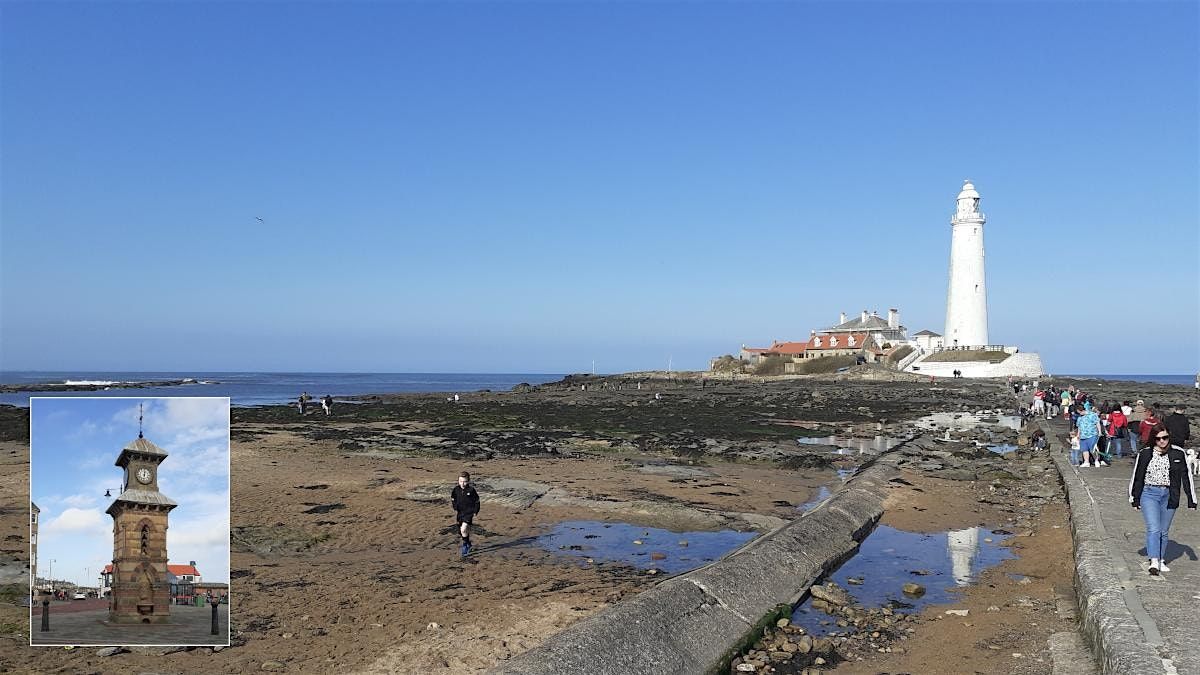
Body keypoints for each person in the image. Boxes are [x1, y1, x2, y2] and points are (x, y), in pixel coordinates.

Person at [1129, 425, 1197, 575]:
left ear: (1169, 437)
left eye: (1164, 438)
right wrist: (1134, 498)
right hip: (1149, 493)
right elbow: (1137, 476)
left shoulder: (1178, 453)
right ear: (1154, 439)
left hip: (1169, 494)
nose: (1162, 441)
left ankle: (1160, 559)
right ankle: (1153, 561)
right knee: (1154, 528)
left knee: (1164, 531)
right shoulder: (1145, 453)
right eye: (1158, 438)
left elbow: (1187, 477)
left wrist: (1192, 500)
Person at [451, 471, 480, 557]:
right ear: (458, 481)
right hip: (460, 513)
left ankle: (465, 546)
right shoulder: (456, 490)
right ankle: (468, 543)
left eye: (465, 481)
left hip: (469, 513)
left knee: (464, 529)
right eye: (461, 481)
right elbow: (453, 498)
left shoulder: (471, 490)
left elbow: (477, 501)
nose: (462, 483)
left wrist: (475, 511)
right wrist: (455, 506)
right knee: (461, 531)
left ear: (468, 481)